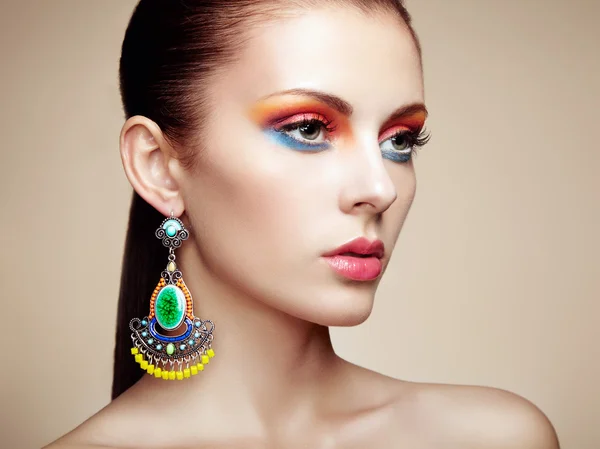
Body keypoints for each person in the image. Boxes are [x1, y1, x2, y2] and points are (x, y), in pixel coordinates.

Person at [47, 0, 560, 448]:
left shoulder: (494, 438)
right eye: (309, 129)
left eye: (399, 140)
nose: (379, 188)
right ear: (158, 166)